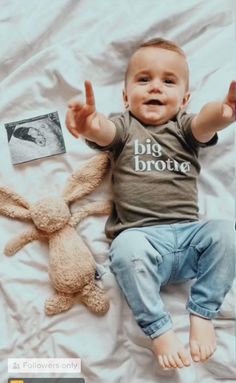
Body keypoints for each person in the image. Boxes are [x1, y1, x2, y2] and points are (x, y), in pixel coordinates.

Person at [65, 38, 235, 370]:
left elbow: (206, 123)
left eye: (168, 81)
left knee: (226, 231)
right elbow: (104, 131)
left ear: (184, 99)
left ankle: (202, 312)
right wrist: (91, 124)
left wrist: (225, 113)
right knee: (124, 248)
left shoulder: (185, 127)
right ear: (126, 96)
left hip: (188, 239)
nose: (155, 87)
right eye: (144, 80)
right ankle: (159, 330)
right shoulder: (126, 128)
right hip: (141, 240)